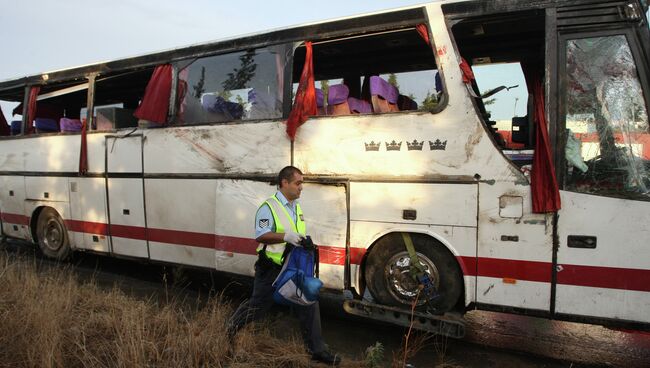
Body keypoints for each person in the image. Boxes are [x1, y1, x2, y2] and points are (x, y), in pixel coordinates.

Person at [227, 165, 341, 366]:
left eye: (302, 183)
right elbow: (260, 235)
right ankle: (229, 330)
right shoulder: (268, 207)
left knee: (309, 302)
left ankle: (318, 351)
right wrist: (285, 237)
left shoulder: (296, 207)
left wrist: (303, 241)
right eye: (298, 183)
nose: (301, 187)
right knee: (258, 307)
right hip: (271, 268)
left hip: (292, 267)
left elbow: (294, 233)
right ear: (284, 183)